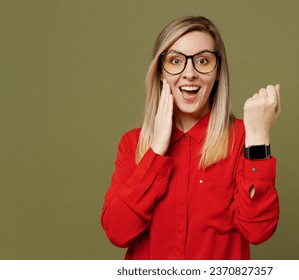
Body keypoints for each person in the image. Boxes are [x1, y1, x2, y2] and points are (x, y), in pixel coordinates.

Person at [101, 16, 281, 260]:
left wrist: (258, 137)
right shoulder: (132, 144)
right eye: (176, 61)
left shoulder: (242, 139)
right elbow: (118, 232)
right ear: (160, 72)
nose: (189, 73)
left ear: (218, 72)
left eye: (203, 61)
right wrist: (155, 153)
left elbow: (257, 231)